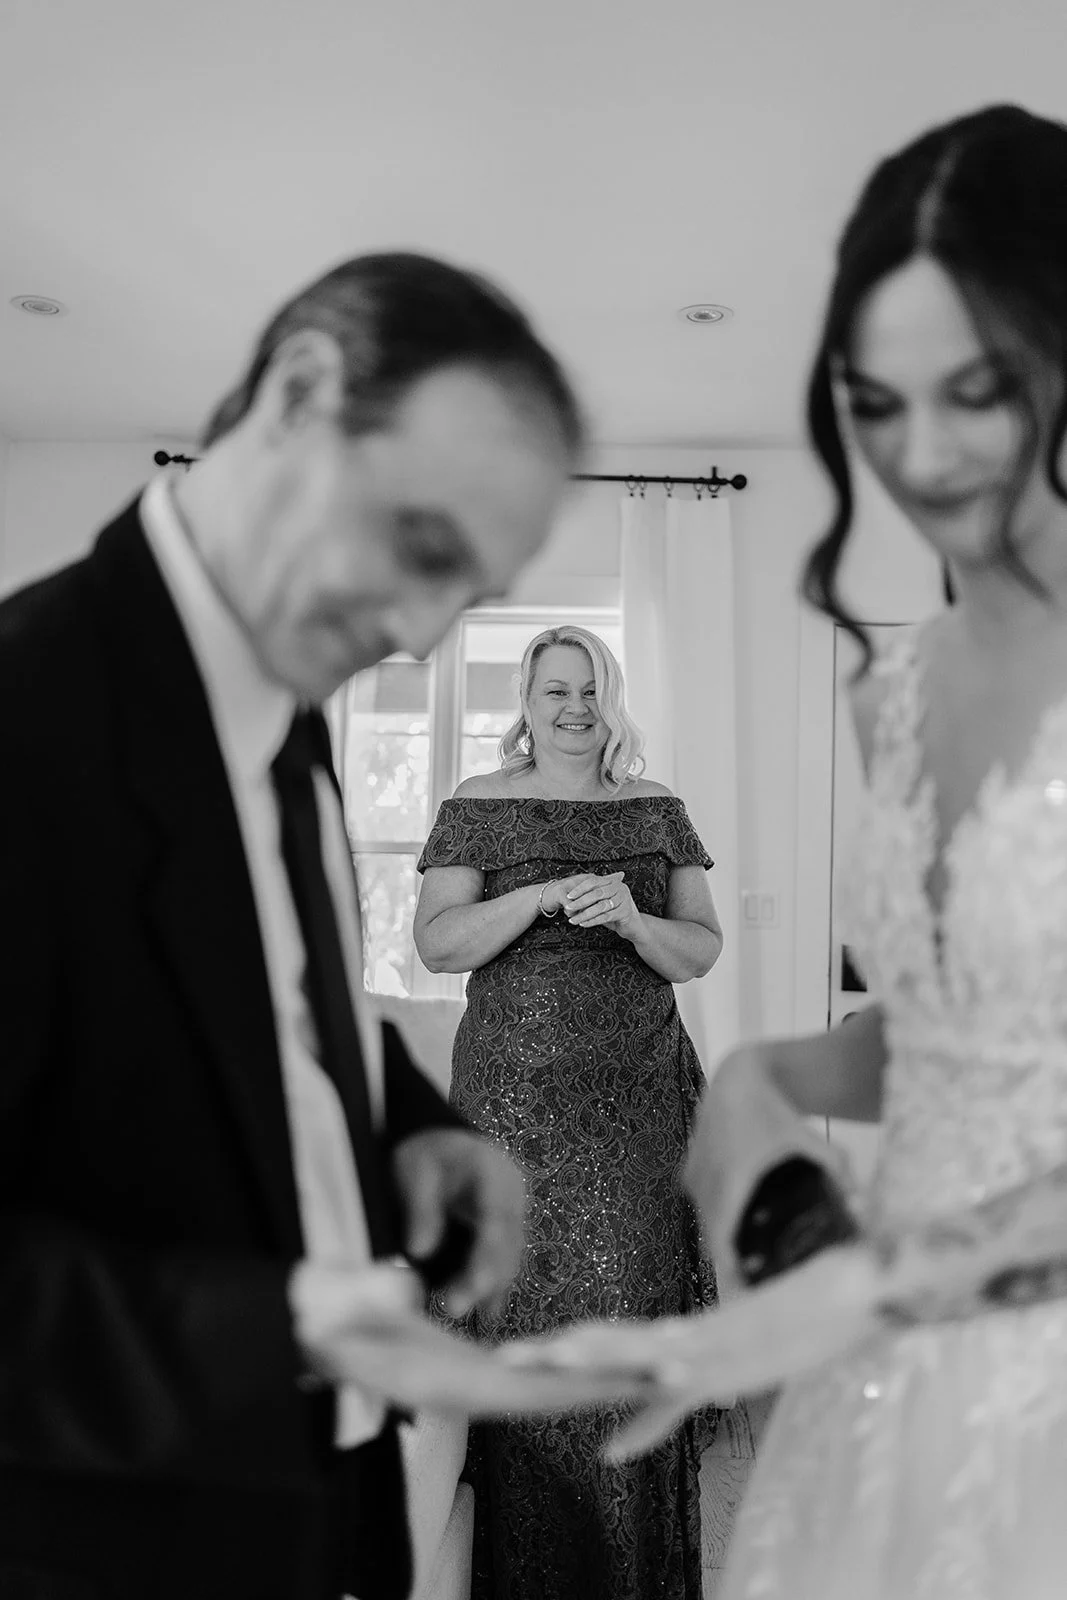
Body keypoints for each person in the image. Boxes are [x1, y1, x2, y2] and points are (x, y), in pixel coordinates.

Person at [0, 252, 650, 1600]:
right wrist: (275, 1334)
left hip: (318, 1512)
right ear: (301, 391)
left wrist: (410, 1128)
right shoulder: (25, 715)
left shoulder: (286, 715)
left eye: (464, 592)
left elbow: (283, 1015)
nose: (419, 633)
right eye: (418, 547)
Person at [507, 104, 1067, 1598]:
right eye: (875, 404)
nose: (923, 453)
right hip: (890, 1374)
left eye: (974, 388)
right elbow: (972, 1034)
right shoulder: (898, 690)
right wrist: (777, 1078)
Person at [412, 624, 727, 1600]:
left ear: (611, 699)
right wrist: (540, 896)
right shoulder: (475, 804)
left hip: (634, 1100)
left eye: (588, 691)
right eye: (554, 690)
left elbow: (701, 949)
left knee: (628, 1303)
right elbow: (437, 944)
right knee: (513, 1315)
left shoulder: (654, 808)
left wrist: (631, 919)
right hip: (509, 1101)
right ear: (526, 697)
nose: (572, 709)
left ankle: (627, 1567)